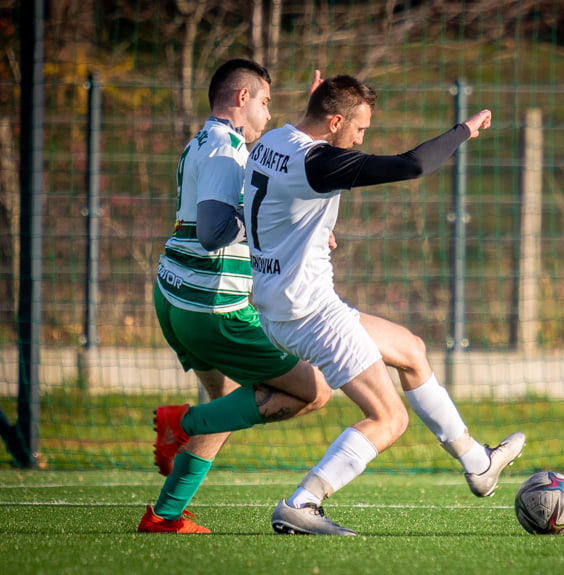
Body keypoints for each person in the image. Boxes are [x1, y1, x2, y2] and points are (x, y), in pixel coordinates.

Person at [243, 74, 526, 536]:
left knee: (411, 350)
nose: (359, 139)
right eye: (359, 130)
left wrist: (308, 230)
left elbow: (269, 199)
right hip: (310, 313)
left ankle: (478, 464)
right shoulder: (318, 162)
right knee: (389, 418)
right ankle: (302, 502)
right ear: (334, 122)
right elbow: (411, 166)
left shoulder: (274, 140)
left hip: (282, 304)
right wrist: (465, 130)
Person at [137, 60, 332, 534]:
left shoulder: (202, 141)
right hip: (212, 308)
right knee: (314, 391)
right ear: (242, 98)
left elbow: (262, 181)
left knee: (224, 403)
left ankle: (164, 515)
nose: (268, 114)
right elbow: (212, 233)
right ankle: (180, 422)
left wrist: (317, 123)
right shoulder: (227, 152)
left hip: (175, 295)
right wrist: (267, 219)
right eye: (265, 102)